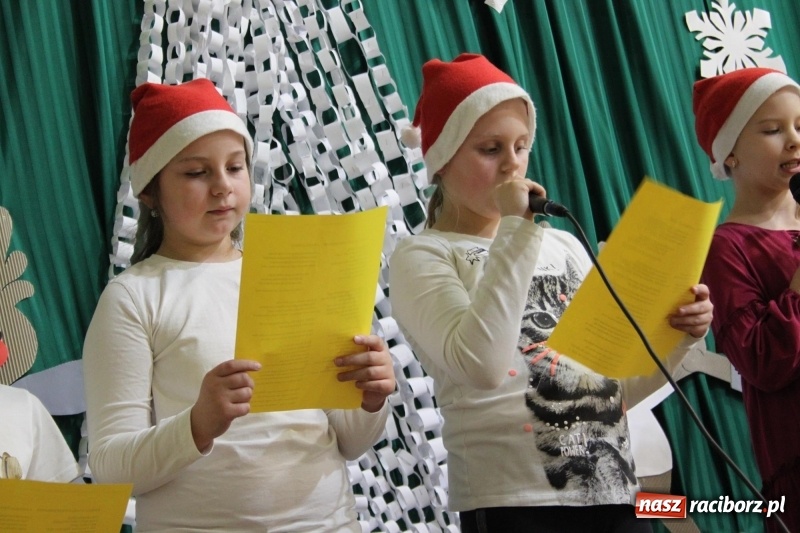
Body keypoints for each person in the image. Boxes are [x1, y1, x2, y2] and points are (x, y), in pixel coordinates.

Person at [389, 53, 713, 533]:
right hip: (514, 500)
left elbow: (612, 391)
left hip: (613, 491)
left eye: (521, 146)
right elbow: (483, 365)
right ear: (442, 159)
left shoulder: (562, 244)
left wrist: (678, 334)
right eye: (490, 149)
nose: (513, 165)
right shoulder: (423, 254)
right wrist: (516, 231)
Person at [82, 79, 395, 532]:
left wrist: (370, 399)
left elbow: (348, 440)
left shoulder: (295, 275)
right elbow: (112, 468)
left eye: (235, 167)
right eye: (196, 173)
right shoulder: (134, 298)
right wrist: (197, 424)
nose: (222, 187)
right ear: (150, 191)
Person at [694, 67, 800, 533]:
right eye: (774, 130)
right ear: (730, 153)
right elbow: (762, 360)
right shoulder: (727, 247)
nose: (794, 140)